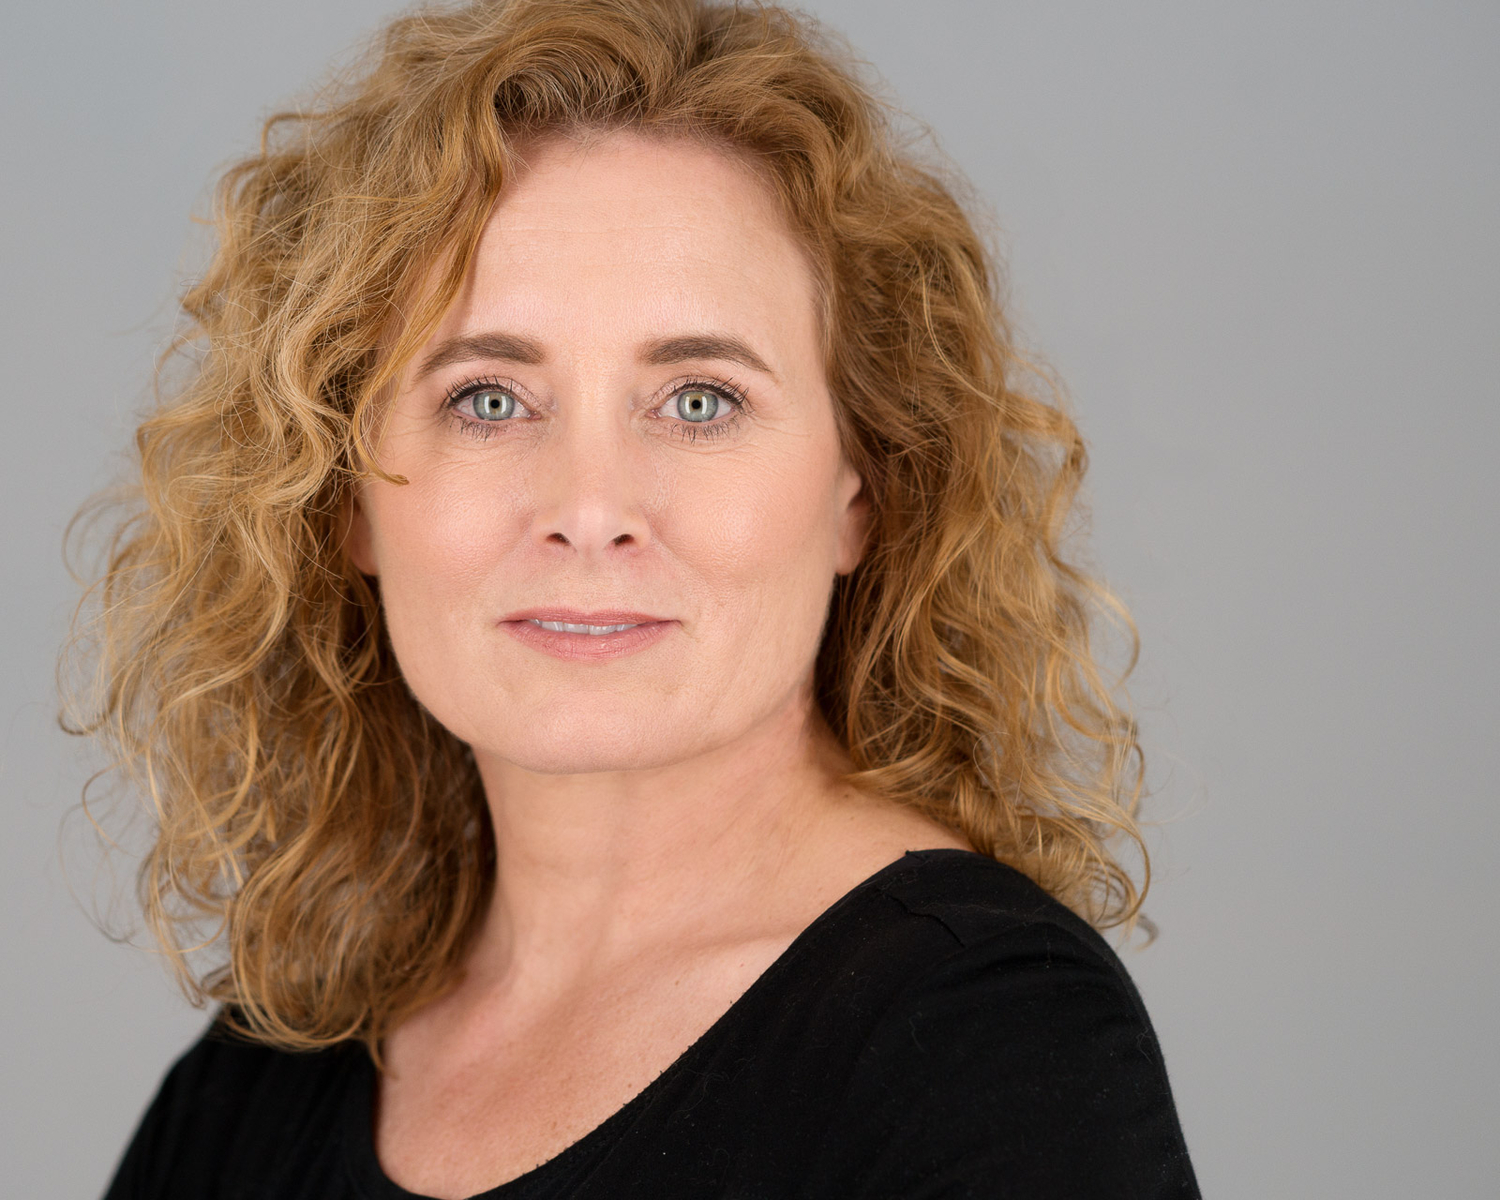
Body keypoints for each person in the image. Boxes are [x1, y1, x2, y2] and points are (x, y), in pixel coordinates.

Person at [72, 0, 1199, 1195]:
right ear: (342, 493)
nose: (590, 505)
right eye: (488, 399)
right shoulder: (263, 1081)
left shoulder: (987, 1048)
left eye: (700, 400)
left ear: (859, 492)